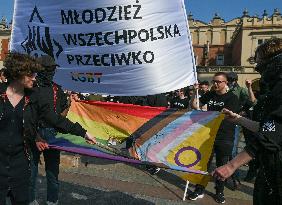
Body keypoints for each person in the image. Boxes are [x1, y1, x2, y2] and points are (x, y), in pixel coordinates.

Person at [0, 52, 96, 205]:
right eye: (31, 74)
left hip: (20, 163)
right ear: (18, 74)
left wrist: (83, 132)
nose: (34, 77)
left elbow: (56, 119)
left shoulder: (35, 96)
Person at [213, 38, 282, 205]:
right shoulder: (274, 86)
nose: (257, 68)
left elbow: (271, 136)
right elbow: (266, 127)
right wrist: (239, 119)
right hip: (269, 169)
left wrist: (231, 166)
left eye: (258, 62)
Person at [190, 72, 239, 204]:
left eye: (218, 82)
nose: (215, 84)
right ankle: (199, 188)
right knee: (204, 163)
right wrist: (196, 92)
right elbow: (195, 106)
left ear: (225, 83)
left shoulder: (232, 98)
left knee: (221, 165)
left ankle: (219, 191)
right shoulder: (210, 95)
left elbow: (229, 118)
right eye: (214, 81)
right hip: (209, 136)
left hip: (225, 137)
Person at [28, 55, 69, 205]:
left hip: (46, 132)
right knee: (39, 170)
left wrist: (68, 106)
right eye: (51, 69)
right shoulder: (36, 87)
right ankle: (42, 200)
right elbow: (64, 111)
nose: (52, 72)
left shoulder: (53, 88)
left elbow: (63, 112)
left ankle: (44, 200)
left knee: (45, 171)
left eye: (53, 69)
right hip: (38, 133)